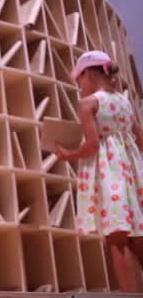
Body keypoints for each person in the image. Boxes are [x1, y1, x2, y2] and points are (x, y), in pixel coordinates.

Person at [55, 50, 143, 292]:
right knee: (137, 235)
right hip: (131, 171)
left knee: (116, 238)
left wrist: (68, 154)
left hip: (109, 172)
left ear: (88, 74)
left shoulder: (89, 103)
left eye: (78, 79)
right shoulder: (124, 101)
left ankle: (131, 296)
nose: (78, 85)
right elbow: (140, 139)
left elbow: (93, 145)